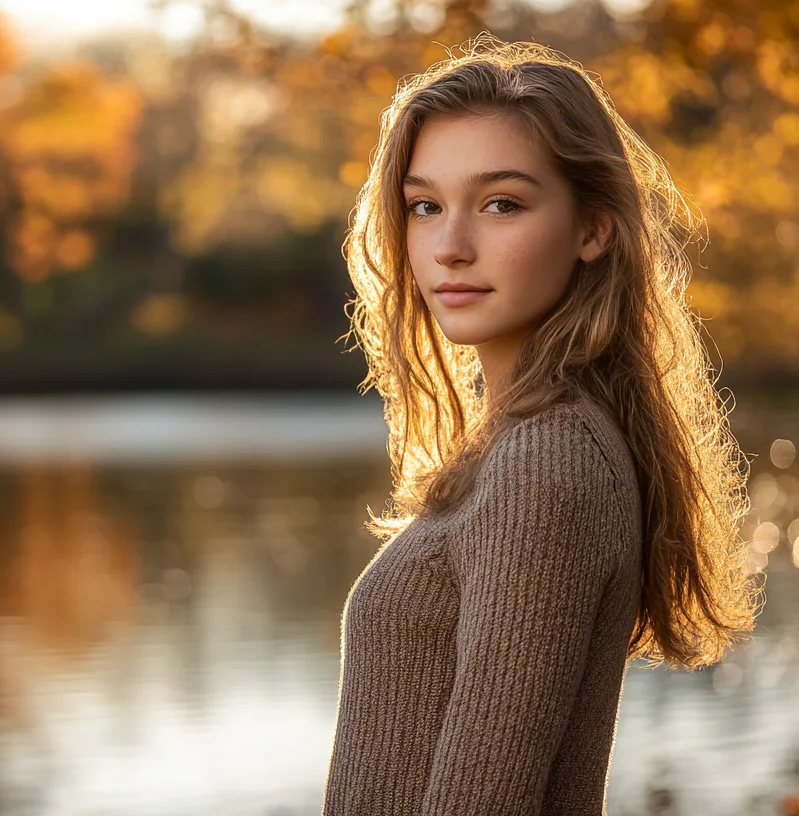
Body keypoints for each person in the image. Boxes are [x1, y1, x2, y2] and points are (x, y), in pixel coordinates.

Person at [320, 35, 763, 815]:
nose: (450, 247)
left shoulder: (543, 460)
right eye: (425, 206)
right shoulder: (521, 443)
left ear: (593, 229)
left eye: (501, 205)